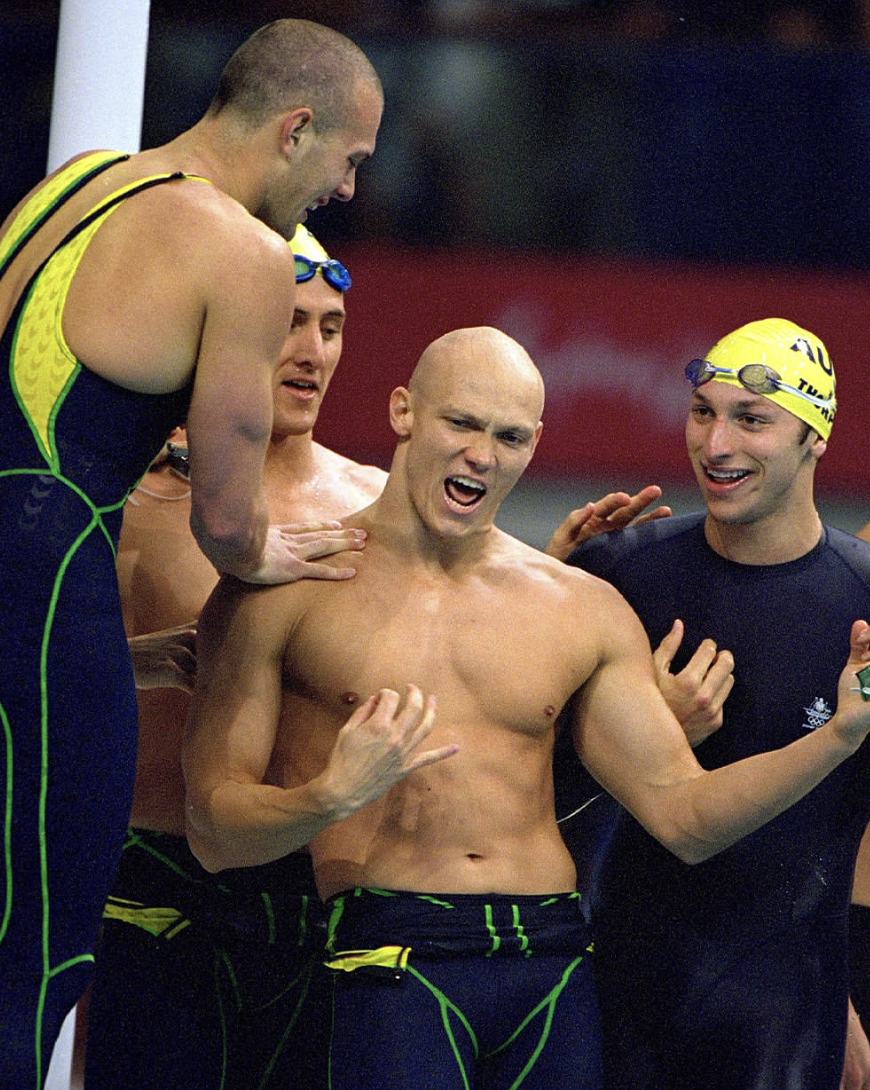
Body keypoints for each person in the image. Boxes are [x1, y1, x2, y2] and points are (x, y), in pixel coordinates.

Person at [183, 324, 870, 1090]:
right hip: (392, 953)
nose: (482, 455)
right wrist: (326, 797)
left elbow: (686, 817)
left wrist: (838, 736)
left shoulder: (576, 604)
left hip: (552, 963)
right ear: (403, 410)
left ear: (535, 443)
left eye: (508, 436)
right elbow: (213, 834)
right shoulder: (287, 591)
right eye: (462, 423)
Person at [0, 19, 382, 1085]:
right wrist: (265, 553)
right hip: (45, 588)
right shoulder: (244, 252)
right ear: (295, 130)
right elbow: (223, 513)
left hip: (23, 591)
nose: (347, 190)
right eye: (349, 159)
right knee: (32, 965)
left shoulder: (72, 185)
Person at [81, 227, 386, 1089]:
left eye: (331, 327)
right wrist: (129, 661)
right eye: (290, 322)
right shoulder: (128, 496)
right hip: (151, 891)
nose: (313, 352)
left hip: (307, 889)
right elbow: (23, 660)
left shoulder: (373, 502)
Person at [557, 317, 870, 1089]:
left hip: (790, 1004)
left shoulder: (861, 602)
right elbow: (516, 775)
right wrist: (542, 582)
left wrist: (848, 996)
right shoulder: (618, 573)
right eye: (703, 412)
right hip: (619, 987)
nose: (716, 444)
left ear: (815, 437)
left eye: (751, 420)